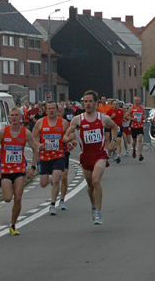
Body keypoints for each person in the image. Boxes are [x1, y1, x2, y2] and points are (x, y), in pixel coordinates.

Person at [64, 90, 117, 225]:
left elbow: (115, 127)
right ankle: (93, 205)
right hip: (86, 156)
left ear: (96, 103)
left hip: (100, 154)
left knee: (95, 181)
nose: (87, 104)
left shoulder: (103, 118)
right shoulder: (78, 119)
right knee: (90, 186)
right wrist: (69, 139)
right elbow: (64, 137)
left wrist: (113, 142)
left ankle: (98, 213)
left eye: (90, 101)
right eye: (85, 101)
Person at [0, 107, 38, 235]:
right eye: (12, 115)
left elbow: (35, 150)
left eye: (17, 115)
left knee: (18, 199)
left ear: (21, 117)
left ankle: (12, 224)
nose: (14, 117)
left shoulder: (26, 133)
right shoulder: (2, 132)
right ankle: (9, 188)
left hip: (19, 169)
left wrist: (32, 167)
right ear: (9, 117)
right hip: (5, 169)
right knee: (8, 198)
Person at [32, 101, 69, 215]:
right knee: (43, 183)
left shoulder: (63, 123)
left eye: (53, 108)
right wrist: (39, 145)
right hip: (45, 157)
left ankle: (52, 205)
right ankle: (52, 179)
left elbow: (68, 137)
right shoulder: (40, 122)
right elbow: (32, 137)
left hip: (59, 155)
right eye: (49, 108)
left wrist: (73, 142)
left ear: (57, 110)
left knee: (57, 178)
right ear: (46, 110)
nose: (51, 110)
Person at [125, 96, 146, 161]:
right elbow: (126, 116)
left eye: (138, 100)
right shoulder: (131, 108)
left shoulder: (142, 108)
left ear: (140, 101)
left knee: (140, 138)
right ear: (134, 101)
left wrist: (144, 118)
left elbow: (144, 115)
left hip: (140, 126)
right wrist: (132, 119)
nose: (137, 102)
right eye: (136, 100)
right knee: (134, 141)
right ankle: (134, 149)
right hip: (134, 126)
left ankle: (140, 154)